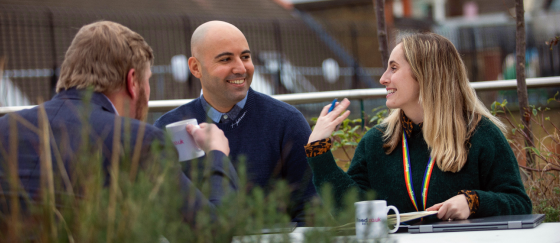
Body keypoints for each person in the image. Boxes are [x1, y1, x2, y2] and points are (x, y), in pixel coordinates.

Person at [0, 21, 238, 223]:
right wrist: (217, 154)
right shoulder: (136, 142)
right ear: (132, 81)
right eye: (148, 81)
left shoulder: (6, 128)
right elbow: (211, 231)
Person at [306, 32, 531, 221]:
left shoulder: (482, 134)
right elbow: (351, 212)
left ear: (425, 74)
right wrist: (319, 152)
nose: (383, 78)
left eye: (393, 68)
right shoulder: (376, 142)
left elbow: (519, 204)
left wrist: (473, 202)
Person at [154, 21, 316, 225]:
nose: (241, 68)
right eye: (226, 59)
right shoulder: (167, 129)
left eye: (245, 57)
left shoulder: (287, 122)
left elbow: (311, 212)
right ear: (196, 68)